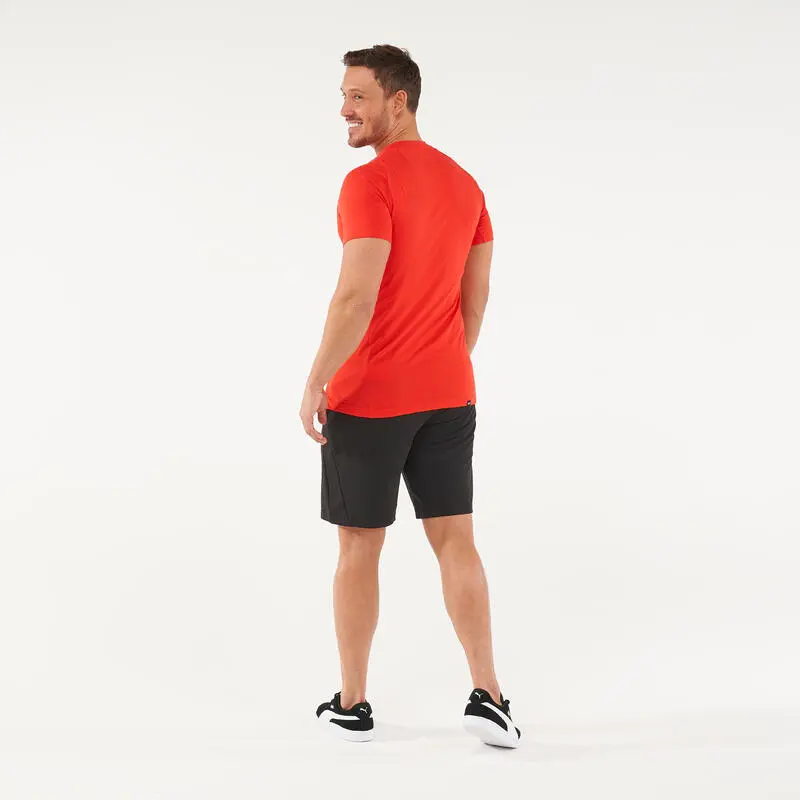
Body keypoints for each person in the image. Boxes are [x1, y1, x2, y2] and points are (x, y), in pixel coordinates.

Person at [299, 44, 520, 748]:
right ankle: (490, 696)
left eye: (357, 96)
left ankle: (353, 705)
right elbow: (475, 300)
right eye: (343, 95)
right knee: (456, 541)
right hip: (449, 394)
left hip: (369, 399)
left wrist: (316, 378)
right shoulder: (466, 185)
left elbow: (355, 297)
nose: (345, 109)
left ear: (399, 101)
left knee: (359, 547)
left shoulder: (369, 183)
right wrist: (442, 363)